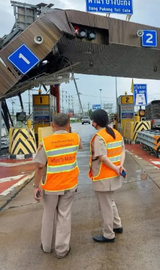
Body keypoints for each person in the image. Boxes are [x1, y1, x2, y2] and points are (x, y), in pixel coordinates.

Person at [33, 113, 83, 258]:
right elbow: (79, 146)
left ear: (52, 125)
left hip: (51, 187)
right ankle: (62, 250)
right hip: (69, 184)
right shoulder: (75, 138)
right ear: (68, 125)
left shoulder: (46, 142)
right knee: (64, 215)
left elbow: (40, 167)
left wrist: (36, 186)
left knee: (48, 215)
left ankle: (47, 246)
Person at [89, 109, 126, 243]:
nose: (92, 123)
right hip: (114, 175)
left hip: (103, 177)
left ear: (96, 122)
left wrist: (116, 167)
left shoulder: (99, 137)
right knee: (110, 202)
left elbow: (103, 157)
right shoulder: (116, 133)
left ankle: (108, 234)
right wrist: (119, 166)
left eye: (93, 120)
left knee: (105, 207)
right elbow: (122, 151)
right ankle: (117, 225)